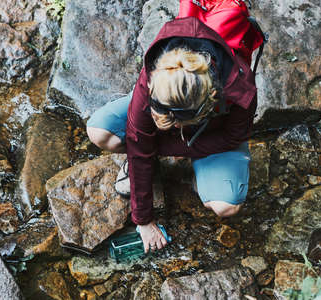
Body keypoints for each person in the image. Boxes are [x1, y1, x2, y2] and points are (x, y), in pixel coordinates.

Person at [86, 17, 257, 254]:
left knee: (224, 206)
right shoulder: (155, 78)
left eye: (175, 122)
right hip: (180, 121)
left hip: (214, 136)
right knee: (99, 132)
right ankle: (176, 166)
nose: (170, 127)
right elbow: (138, 144)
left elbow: (233, 137)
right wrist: (143, 220)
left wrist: (157, 147)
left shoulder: (239, 89)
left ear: (205, 107)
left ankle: (203, 174)